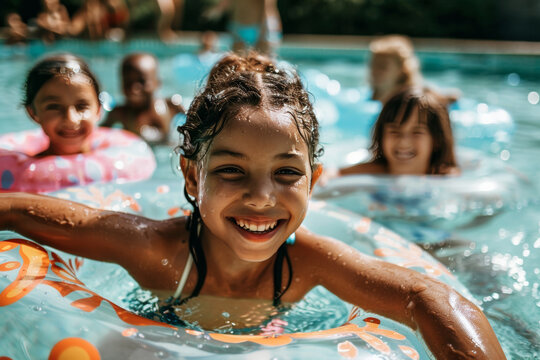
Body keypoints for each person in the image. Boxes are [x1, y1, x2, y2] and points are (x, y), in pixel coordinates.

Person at [0, 53, 505, 359]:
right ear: (192, 177)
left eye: (287, 173)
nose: (262, 198)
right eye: (231, 171)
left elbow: (425, 296)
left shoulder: (308, 262)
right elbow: (27, 212)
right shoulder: (157, 249)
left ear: (315, 180)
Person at [333, 87, 460, 177]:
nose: (403, 141)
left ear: (437, 139)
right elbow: (334, 174)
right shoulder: (375, 171)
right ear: (381, 135)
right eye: (394, 131)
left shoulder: (445, 177)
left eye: (417, 132)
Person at [23, 53, 102, 156]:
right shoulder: (21, 170)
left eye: (81, 106)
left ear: (98, 110)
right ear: (32, 113)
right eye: (54, 106)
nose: (71, 120)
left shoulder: (120, 163)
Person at [101, 52, 185, 144]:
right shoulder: (119, 113)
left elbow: (167, 138)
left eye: (142, 81)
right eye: (128, 82)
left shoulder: (166, 107)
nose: (134, 89)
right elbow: (100, 133)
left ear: (157, 83)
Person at [368, 34, 460, 105]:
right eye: (373, 65)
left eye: (383, 67)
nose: (375, 71)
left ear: (402, 69)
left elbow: (453, 96)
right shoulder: (373, 95)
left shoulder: (416, 96)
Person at [204, 0, 282, 55]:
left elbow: (267, 7)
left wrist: (263, 31)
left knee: (262, 66)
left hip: (262, 27)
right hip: (239, 27)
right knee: (237, 66)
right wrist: (217, 11)